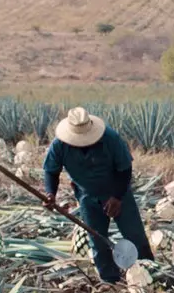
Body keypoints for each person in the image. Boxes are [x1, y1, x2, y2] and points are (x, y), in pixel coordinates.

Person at [40, 107, 151, 283]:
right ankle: (110, 280)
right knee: (97, 240)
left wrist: (117, 197)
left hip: (118, 192)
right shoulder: (60, 145)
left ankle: (150, 273)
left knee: (135, 235)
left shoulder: (110, 138)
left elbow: (125, 169)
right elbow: (51, 171)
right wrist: (50, 194)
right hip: (87, 195)